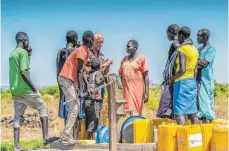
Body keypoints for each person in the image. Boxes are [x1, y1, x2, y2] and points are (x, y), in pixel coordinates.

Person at [9, 32, 57, 151]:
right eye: (28, 41)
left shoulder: (13, 53)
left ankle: (16, 146)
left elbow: (23, 67)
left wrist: (29, 55)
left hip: (14, 89)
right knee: (42, 106)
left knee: (17, 116)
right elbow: (24, 72)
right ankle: (45, 138)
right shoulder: (22, 52)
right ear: (24, 41)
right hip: (25, 88)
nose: (28, 43)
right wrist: (33, 87)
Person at [57, 31, 94, 145]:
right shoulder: (82, 51)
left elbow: (81, 72)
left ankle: (65, 135)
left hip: (66, 79)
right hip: (67, 79)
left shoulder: (83, 50)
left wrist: (87, 86)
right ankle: (66, 136)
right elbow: (79, 71)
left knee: (75, 106)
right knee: (75, 107)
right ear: (91, 40)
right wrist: (80, 87)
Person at [170, 27, 199, 125]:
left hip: (181, 82)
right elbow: (195, 70)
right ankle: (196, 138)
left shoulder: (182, 49)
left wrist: (172, 78)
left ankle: (183, 139)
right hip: (191, 82)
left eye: (178, 36)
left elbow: (182, 70)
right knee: (192, 113)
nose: (177, 38)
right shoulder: (195, 49)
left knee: (179, 113)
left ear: (181, 35)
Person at [56, 30, 80, 139]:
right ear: (75, 40)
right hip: (70, 83)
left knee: (68, 109)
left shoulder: (59, 52)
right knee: (74, 109)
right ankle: (68, 135)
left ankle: (67, 134)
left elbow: (58, 70)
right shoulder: (74, 51)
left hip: (61, 83)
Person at [118, 40, 149, 116]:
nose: (127, 48)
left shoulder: (141, 58)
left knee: (135, 112)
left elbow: (146, 76)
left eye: (129, 46)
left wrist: (147, 93)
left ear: (135, 47)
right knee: (126, 110)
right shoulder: (124, 60)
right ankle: (128, 127)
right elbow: (120, 75)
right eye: (126, 46)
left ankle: (135, 127)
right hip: (126, 91)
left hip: (137, 91)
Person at [157, 24, 180, 118]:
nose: (167, 36)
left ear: (171, 33)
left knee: (166, 101)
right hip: (174, 76)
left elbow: (181, 52)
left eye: (167, 34)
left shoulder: (175, 43)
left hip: (173, 77)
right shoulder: (177, 43)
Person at [88, 32, 114, 110]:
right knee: (90, 110)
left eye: (102, 42)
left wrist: (108, 65)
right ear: (93, 41)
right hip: (91, 85)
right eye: (99, 42)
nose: (101, 44)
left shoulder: (101, 55)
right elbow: (92, 68)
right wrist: (105, 64)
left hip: (100, 86)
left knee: (99, 109)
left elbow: (105, 72)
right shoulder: (88, 53)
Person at [196, 29, 216, 123]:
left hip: (206, 79)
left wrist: (198, 62)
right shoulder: (198, 49)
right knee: (198, 104)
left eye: (199, 36)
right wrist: (198, 62)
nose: (197, 39)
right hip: (197, 79)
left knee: (206, 103)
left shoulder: (211, 49)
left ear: (205, 38)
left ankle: (208, 128)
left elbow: (204, 63)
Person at [84, 59, 104, 140]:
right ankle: (93, 139)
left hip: (87, 99)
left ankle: (89, 137)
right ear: (99, 66)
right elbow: (98, 82)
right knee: (95, 117)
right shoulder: (98, 73)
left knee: (89, 117)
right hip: (95, 99)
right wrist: (104, 79)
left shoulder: (88, 73)